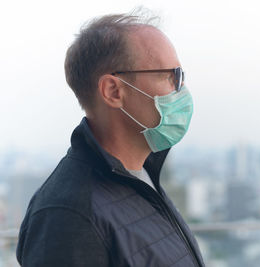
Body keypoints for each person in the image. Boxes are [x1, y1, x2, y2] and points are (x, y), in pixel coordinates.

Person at [16, 10, 205, 267]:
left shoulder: (141, 176)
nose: (181, 90)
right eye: (170, 76)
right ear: (114, 91)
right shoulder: (69, 216)